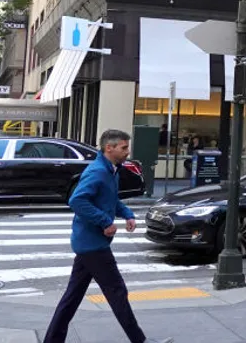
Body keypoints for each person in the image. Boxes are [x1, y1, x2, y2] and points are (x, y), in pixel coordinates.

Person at [43, 129, 172, 343]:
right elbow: (77, 201)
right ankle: (140, 341)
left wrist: (127, 215)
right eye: (123, 148)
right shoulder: (98, 172)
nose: (127, 152)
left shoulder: (111, 170)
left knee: (72, 297)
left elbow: (110, 200)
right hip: (93, 245)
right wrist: (104, 221)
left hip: (88, 244)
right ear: (108, 148)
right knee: (117, 292)